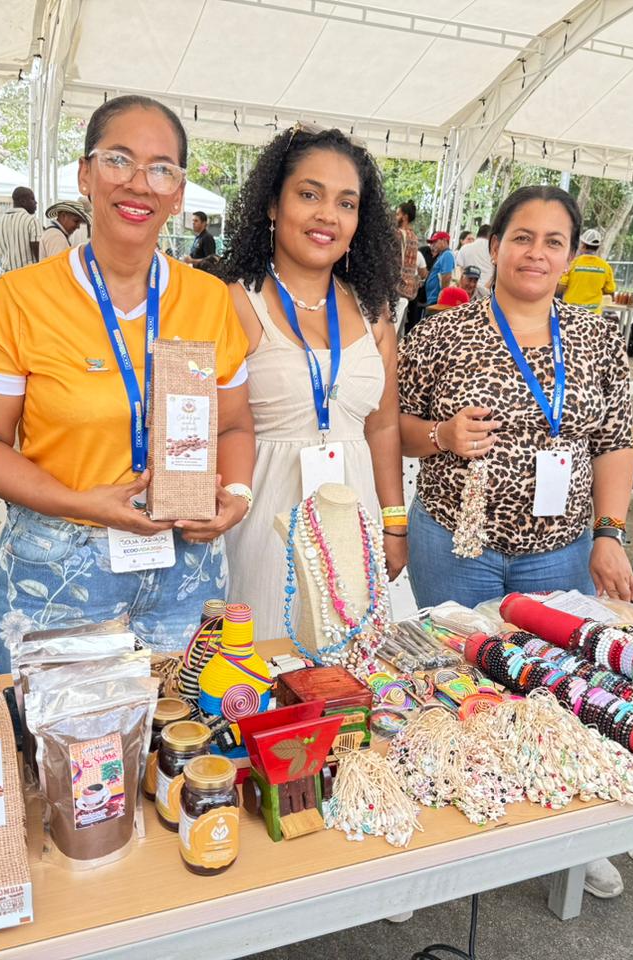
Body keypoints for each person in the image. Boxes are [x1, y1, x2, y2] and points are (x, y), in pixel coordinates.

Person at [0, 94, 255, 668]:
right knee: (55, 725)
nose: (139, 183)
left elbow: (233, 425)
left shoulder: (209, 299)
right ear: (85, 174)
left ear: (178, 193)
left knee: (183, 719)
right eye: (119, 160)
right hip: (61, 564)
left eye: (161, 169)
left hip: (186, 565)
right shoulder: (22, 299)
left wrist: (236, 495)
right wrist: (80, 502)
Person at [398, 185, 633, 901]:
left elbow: (614, 441)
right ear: (494, 246)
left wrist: (609, 534)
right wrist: (440, 435)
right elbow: (393, 427)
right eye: (522, 237)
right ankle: (443, 839)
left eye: (553, 241)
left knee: (557, 689)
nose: (536, 253)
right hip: (453, 542)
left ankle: (571, 835)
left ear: (571, 255)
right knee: (454, 685)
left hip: (558, 549)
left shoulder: (595, 338)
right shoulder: (441, 331)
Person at [219, 122, 404, 640]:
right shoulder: (235, 302)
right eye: (309, 195)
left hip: (355, 519)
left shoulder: (373, 310)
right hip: (263, 518)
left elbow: (383, 427)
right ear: (272, 206)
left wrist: (394, 522)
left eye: (346, 203)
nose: (328, 215)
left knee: (352, 667)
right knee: (264, 662)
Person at [0, 186, 40, 273]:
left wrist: (6, 255)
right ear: (23, 201)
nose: (36, 202)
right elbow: (37, 248)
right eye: (32, 199)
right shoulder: (32, 221)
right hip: (27, 274)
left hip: (7, 275)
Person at [557, 228, 615, 309]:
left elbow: (561, 288)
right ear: (597, 247)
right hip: (593, 313)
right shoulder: (605, 267)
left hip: (572, 311)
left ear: (583, 245)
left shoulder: (572, 264)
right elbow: (610, 291)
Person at [395, 200, 424, 323]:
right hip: (409, 289)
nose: (395, 217)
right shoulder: (414, 237)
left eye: (398, 214)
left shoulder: (397, 234)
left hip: (396, 287)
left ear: (405, 217)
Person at [455, 224, 493, 292]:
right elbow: (496, 274)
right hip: (486, 290)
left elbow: (458, 269)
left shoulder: (465, 248)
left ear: (477, 234)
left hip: (466, 289)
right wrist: (485, 290)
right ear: (490, 236)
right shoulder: (494, 251)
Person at [425, 231, 455, 305]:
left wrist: (442, 297)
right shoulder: (442, 255)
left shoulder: (447, 255)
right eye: (432, 242)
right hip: (433, 298)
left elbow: (446, 276)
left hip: (437, 299)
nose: (433, 244)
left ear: (444, 241)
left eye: (435, 242)